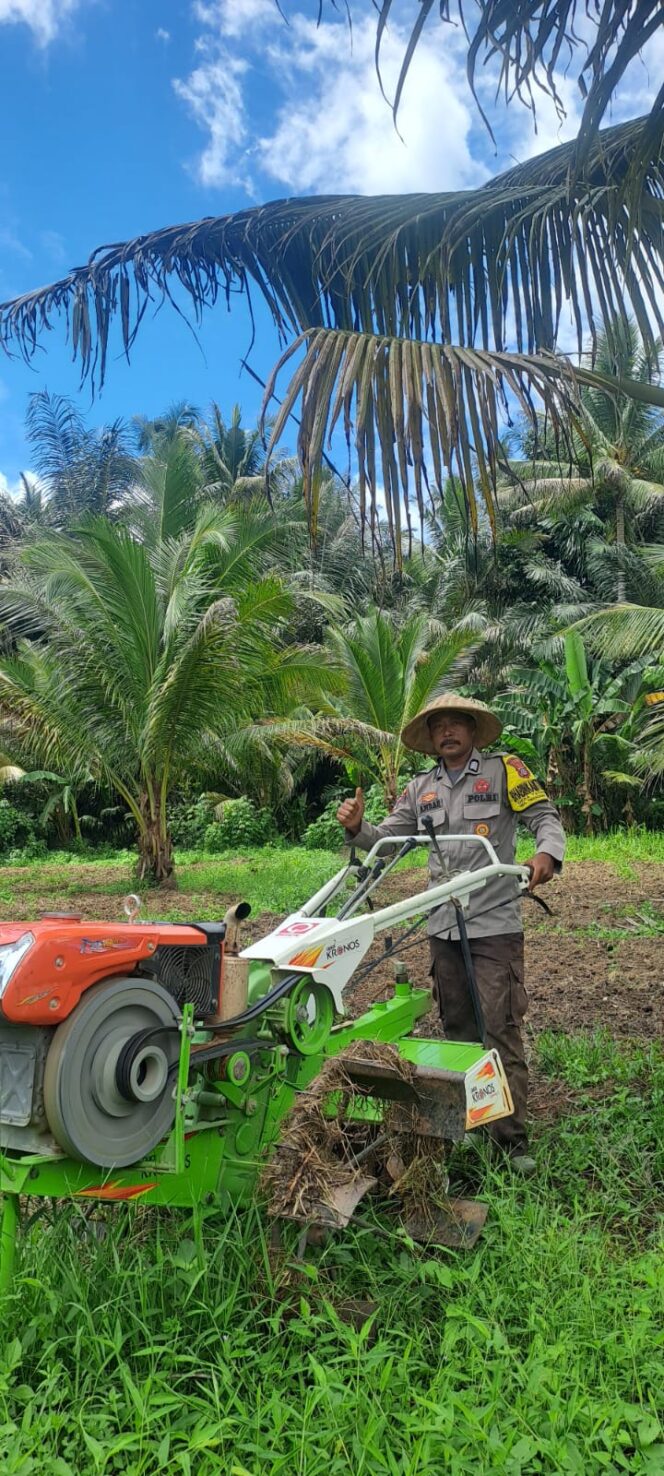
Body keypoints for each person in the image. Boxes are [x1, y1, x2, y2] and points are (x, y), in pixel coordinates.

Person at [336, 694, 566, 1176]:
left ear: (473, 730)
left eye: (455, 723)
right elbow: (387, 841)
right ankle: (469, 1128)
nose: (447, 732)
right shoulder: (421, 789)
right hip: (442, 924)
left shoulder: (505, 772)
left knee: (499, 1029)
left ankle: (510, 1141)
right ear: (431, 738)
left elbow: (544, 817)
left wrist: (544, 856)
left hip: (493, 921)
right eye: (438, 726)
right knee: (457, 1033)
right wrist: (359, 828)